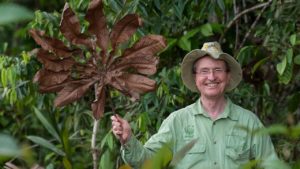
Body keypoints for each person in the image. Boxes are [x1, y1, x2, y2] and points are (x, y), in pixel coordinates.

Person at [111, 42, 279, 169]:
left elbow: (271, 165)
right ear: (196, 78)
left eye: (218, 70)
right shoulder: (177, 121)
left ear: (228, 77)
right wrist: (128, 140)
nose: (211, 77)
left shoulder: (249, 121)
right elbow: (148, 163)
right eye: (204, 71)